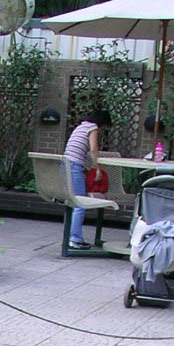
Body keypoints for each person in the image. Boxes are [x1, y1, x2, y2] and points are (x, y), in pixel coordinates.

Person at [63, 107, 112, 250]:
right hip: (73, 166)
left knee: (71, 202)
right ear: (102, 123)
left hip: (66, 164)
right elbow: (93, 148)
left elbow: (74, 150)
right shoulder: (93, 128)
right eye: (104, 129)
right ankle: (74, 239)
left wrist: (83, 169)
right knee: (79, 202)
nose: (102, 132)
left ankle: (69, 237)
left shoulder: (82, 126)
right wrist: (97, 168)